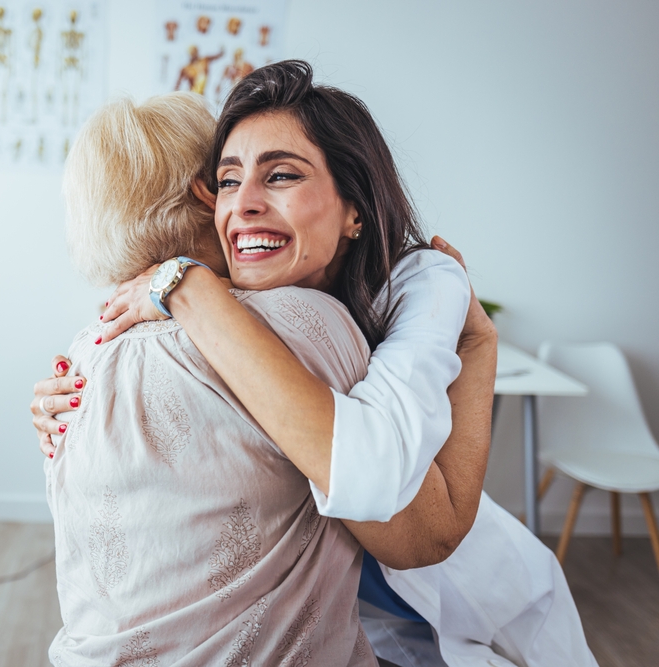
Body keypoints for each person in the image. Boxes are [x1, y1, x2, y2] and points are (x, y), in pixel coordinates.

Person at [34, 61, 597, 666]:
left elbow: (421, 530)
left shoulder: (413, 285)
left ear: (355, 208)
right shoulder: (185, 317)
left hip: (468, 590)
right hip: (364, 600)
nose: (243, 203)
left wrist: (188, 286)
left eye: (280, 175)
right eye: (227, 181)